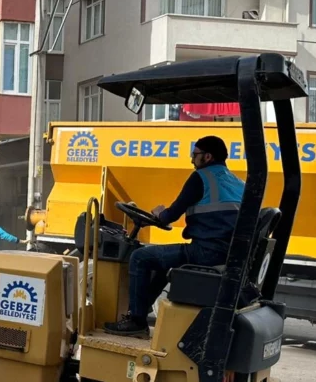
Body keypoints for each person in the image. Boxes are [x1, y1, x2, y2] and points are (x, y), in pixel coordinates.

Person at [104, 136, 244, 337]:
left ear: (207, 157)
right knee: (161, 264)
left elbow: (171, 215)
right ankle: (140, 313)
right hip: (227, 253)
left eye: (194, 155)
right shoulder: (238, 182)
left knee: (140, 257)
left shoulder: (201, 177)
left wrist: (160, 213)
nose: (192, 160)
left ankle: (136, 321)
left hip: (205, 252)